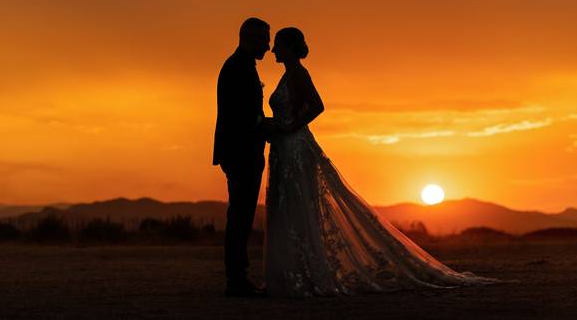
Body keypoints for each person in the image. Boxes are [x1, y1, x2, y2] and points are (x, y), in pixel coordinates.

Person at [264, 27, 501, 297]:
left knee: (300, 206)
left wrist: (290, 127)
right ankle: (293, 273)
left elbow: (317, 105)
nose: (273, 50)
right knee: (289, 208)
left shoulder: (298, 74)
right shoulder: (287, 75)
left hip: (296, 148)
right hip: (284, 148)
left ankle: (306, 275)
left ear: (290, 48)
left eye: (278, 45)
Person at [213, 17, 275, 297]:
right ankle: (236, 280)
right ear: (249, 38)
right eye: (264, 39)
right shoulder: (237, 67)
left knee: (241, 215)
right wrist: (271, 127)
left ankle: (237, 277)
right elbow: (242, 115)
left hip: (241, 150)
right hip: (241, 152)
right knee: (240, 215)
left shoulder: (241, 65)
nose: (268, 45)